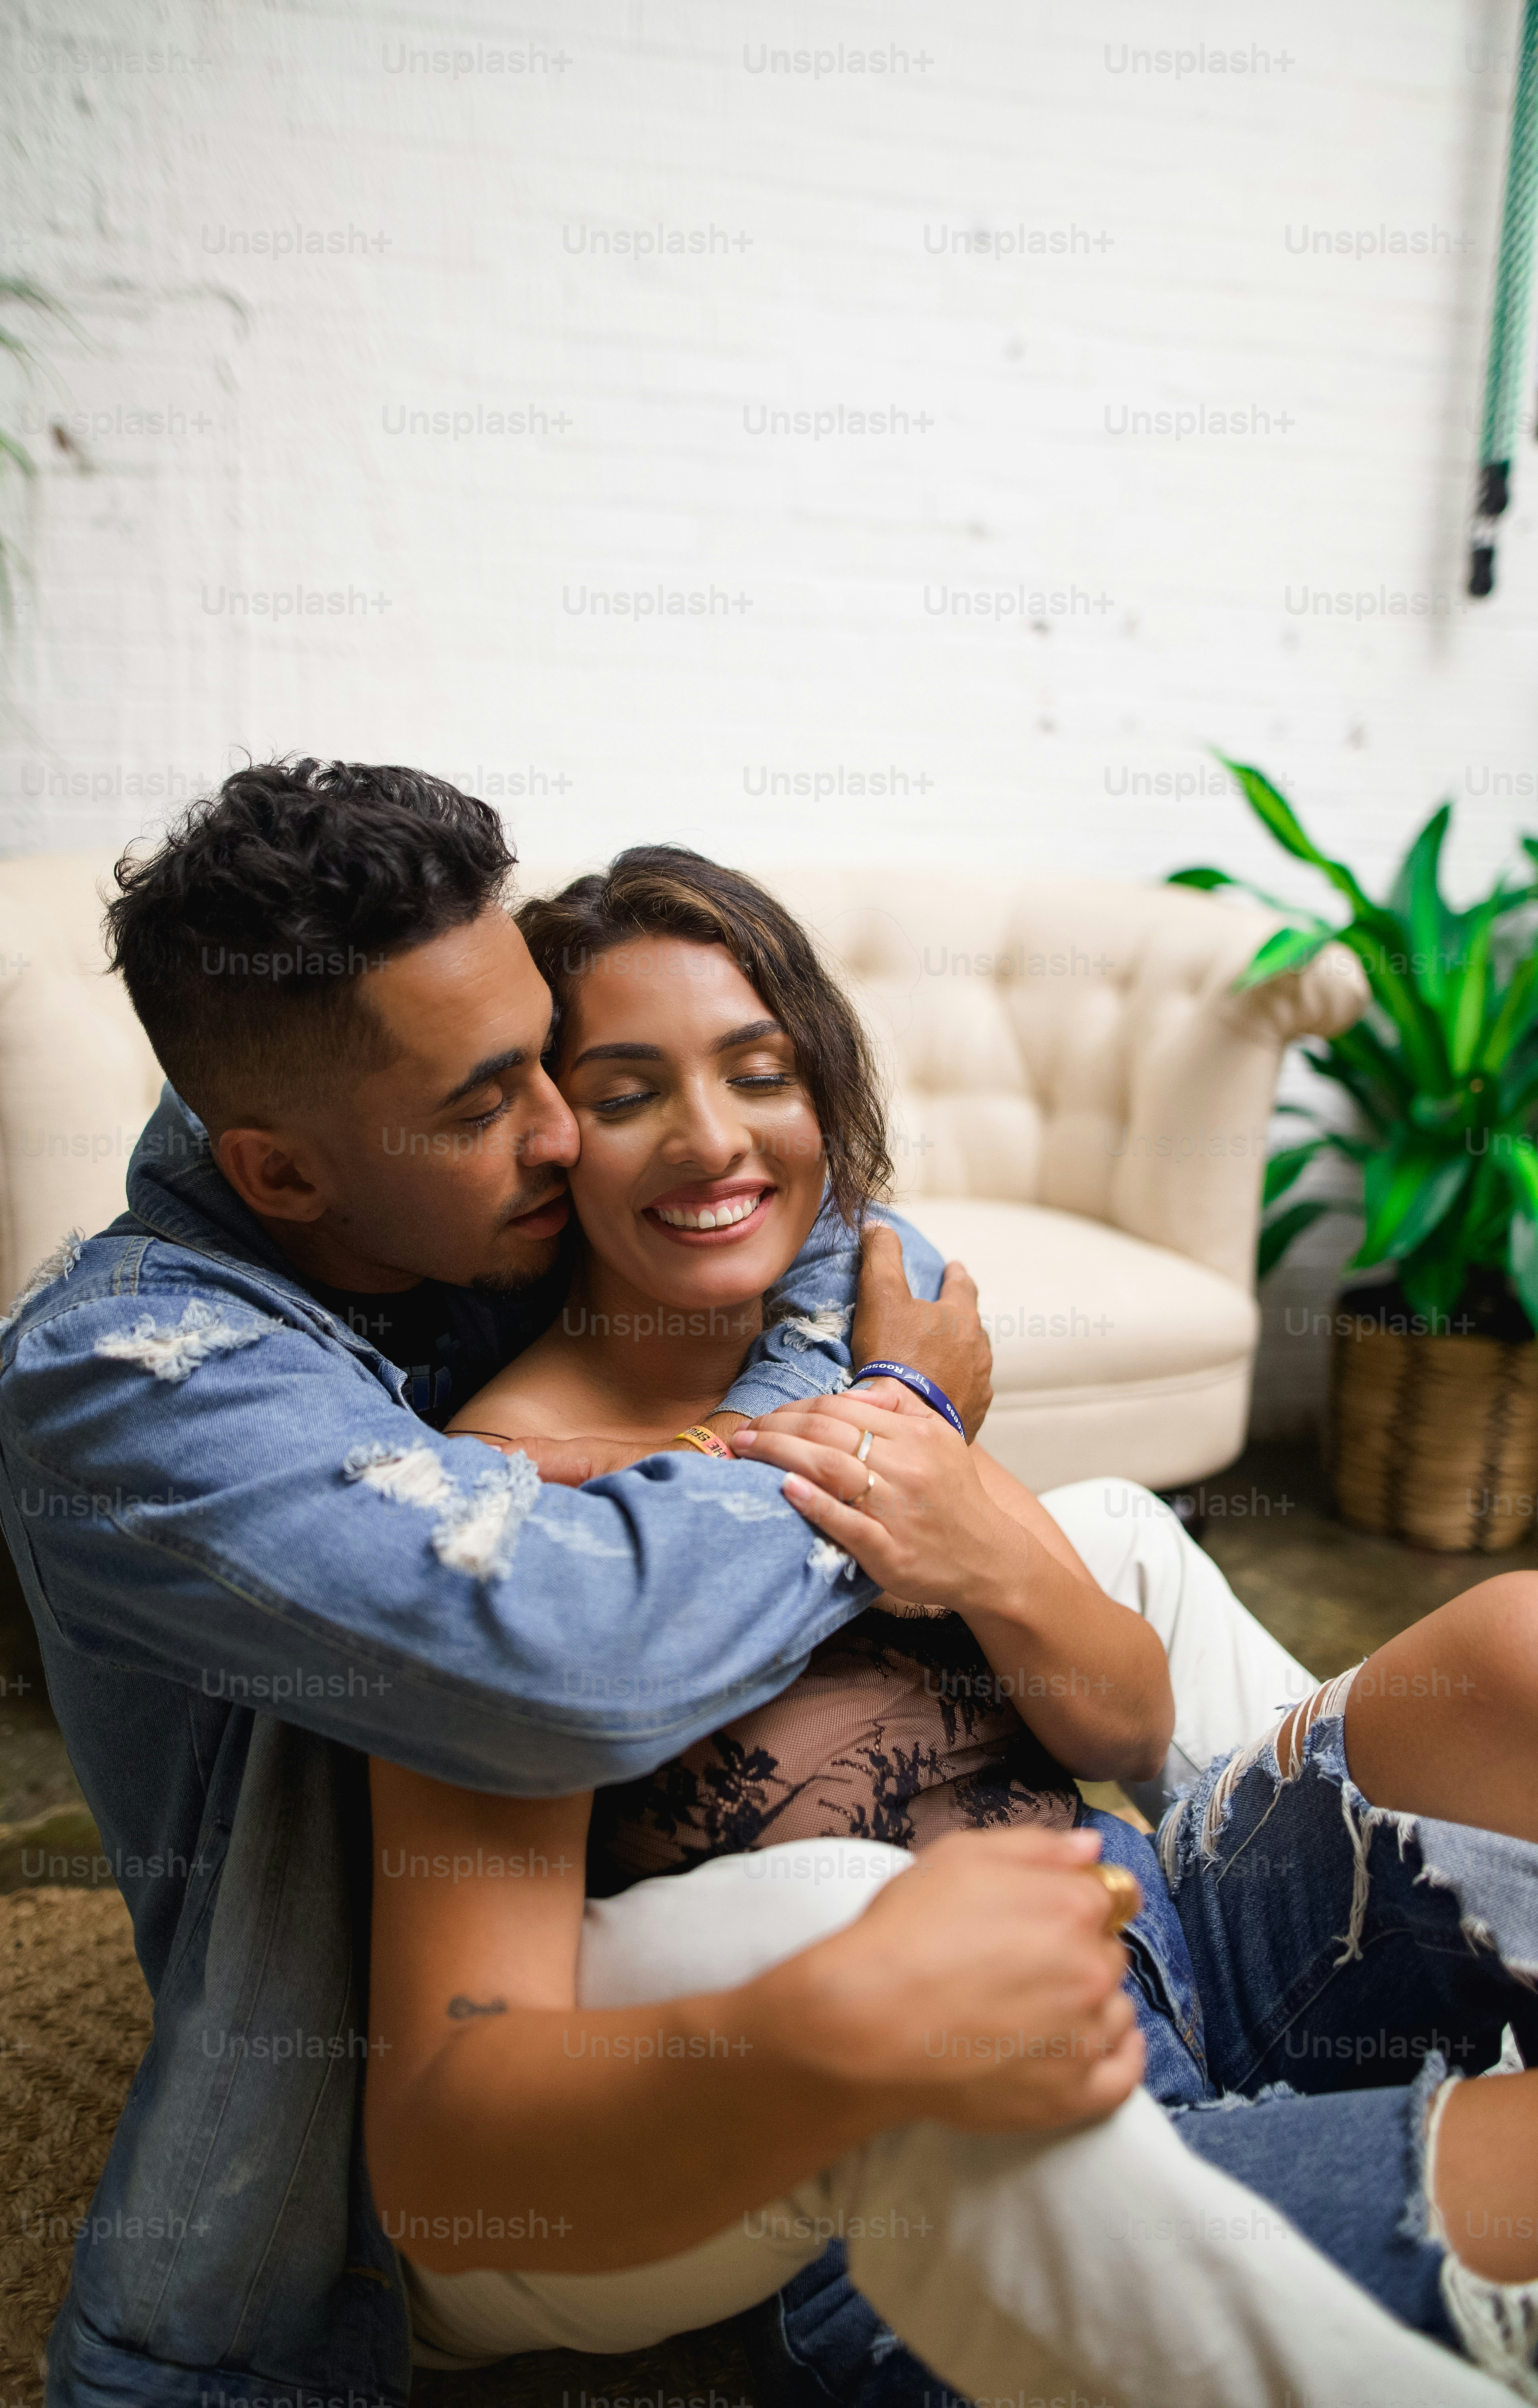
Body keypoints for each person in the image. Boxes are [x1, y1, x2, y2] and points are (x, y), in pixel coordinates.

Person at [0, 759, 1503, 2408]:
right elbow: (541, 1664)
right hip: (872, 2155)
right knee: (860, 1921)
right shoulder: (248, 1416)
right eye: (541, 1100)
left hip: (1139, 1950)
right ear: (282, 1176)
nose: (571, 1135)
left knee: (1482, 1640)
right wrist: (878, 1420)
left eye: (749, 1073)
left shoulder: (706, 1288)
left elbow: (1115, 1696)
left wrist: (926, 1489)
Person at [364, 845, 1538, 2406]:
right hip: (939, 2181)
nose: (714, 1137)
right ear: (553, 1143)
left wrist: (988, 1552)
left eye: (761, 1073)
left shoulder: (849, 1358)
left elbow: (1131, 1729)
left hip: (1160, 1935)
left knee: (1514, 1645)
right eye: (629, 1092)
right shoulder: (495, 1518)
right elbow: (460, 2114)